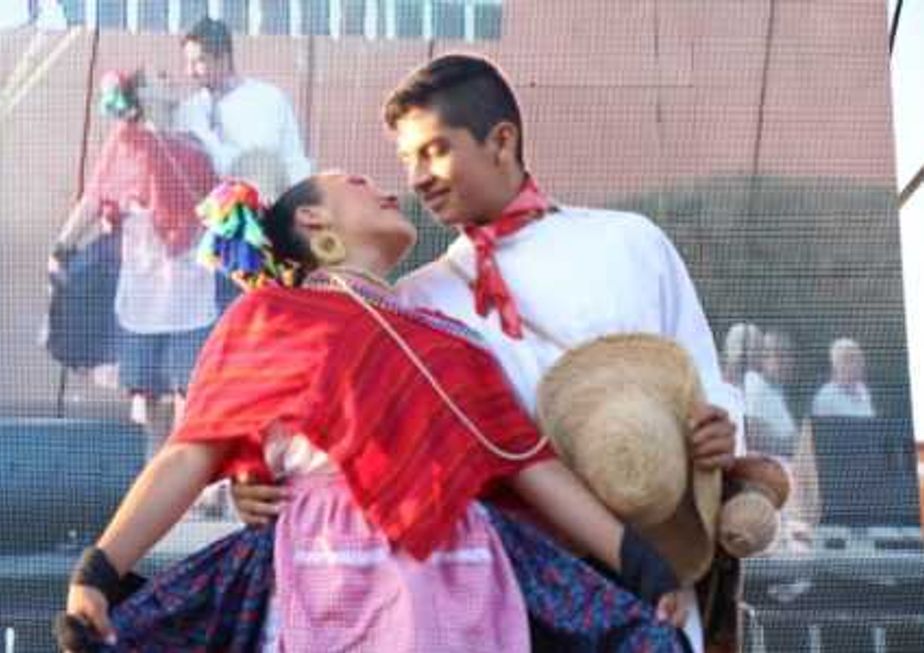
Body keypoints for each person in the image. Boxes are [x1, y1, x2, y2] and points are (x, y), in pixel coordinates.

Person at [56, 175, 690, 653]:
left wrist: (641, 566)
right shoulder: (271, 317)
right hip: (327, 568)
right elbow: (190, 453)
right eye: (358, 183)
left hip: (460, 575)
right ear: (312, 218)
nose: (387, 189)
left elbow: (530, 465)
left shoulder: (452, 339)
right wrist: (100, 569)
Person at [233, 54, 738, 652]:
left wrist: (717, 432)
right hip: (511, 581)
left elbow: (697, 379)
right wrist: (257, 477)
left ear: (501, 140)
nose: (417, 178)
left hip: (647, 558)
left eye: (435, 151)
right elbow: (349, 437)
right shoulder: (414, 303)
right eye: (407, 159)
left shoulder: (630, 242)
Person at [49, 69, 218, 452]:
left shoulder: (198, 142)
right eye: (157, 78)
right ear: (141, 94)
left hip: (191, 284)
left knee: (190, 387)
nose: (168, 79)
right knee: (145, 389)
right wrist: (63, 246)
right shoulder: (126, 143)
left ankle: (183, 471)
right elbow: (95, 197)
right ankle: (149, 466)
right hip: (143, 284)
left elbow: (221, 205)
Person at [175, 16, 311, 183]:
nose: (190, 72)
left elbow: (256, 167)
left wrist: (204, 139)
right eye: (187, 62)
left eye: (199, 61)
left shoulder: (265, 100)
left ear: (223, 58)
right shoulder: (190, 109)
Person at [745, 330, 798, 458]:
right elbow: (753, 435)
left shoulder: (777, 390)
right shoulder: (755, 385)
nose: (790, 362)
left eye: (790, 356)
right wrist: (797, 446)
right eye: (783, 356)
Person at [811, 337, 875, 418]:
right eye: (851, 360)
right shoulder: (826, 396)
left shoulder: (862, 390)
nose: (859, 365)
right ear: (837, 365)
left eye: (859, 360)